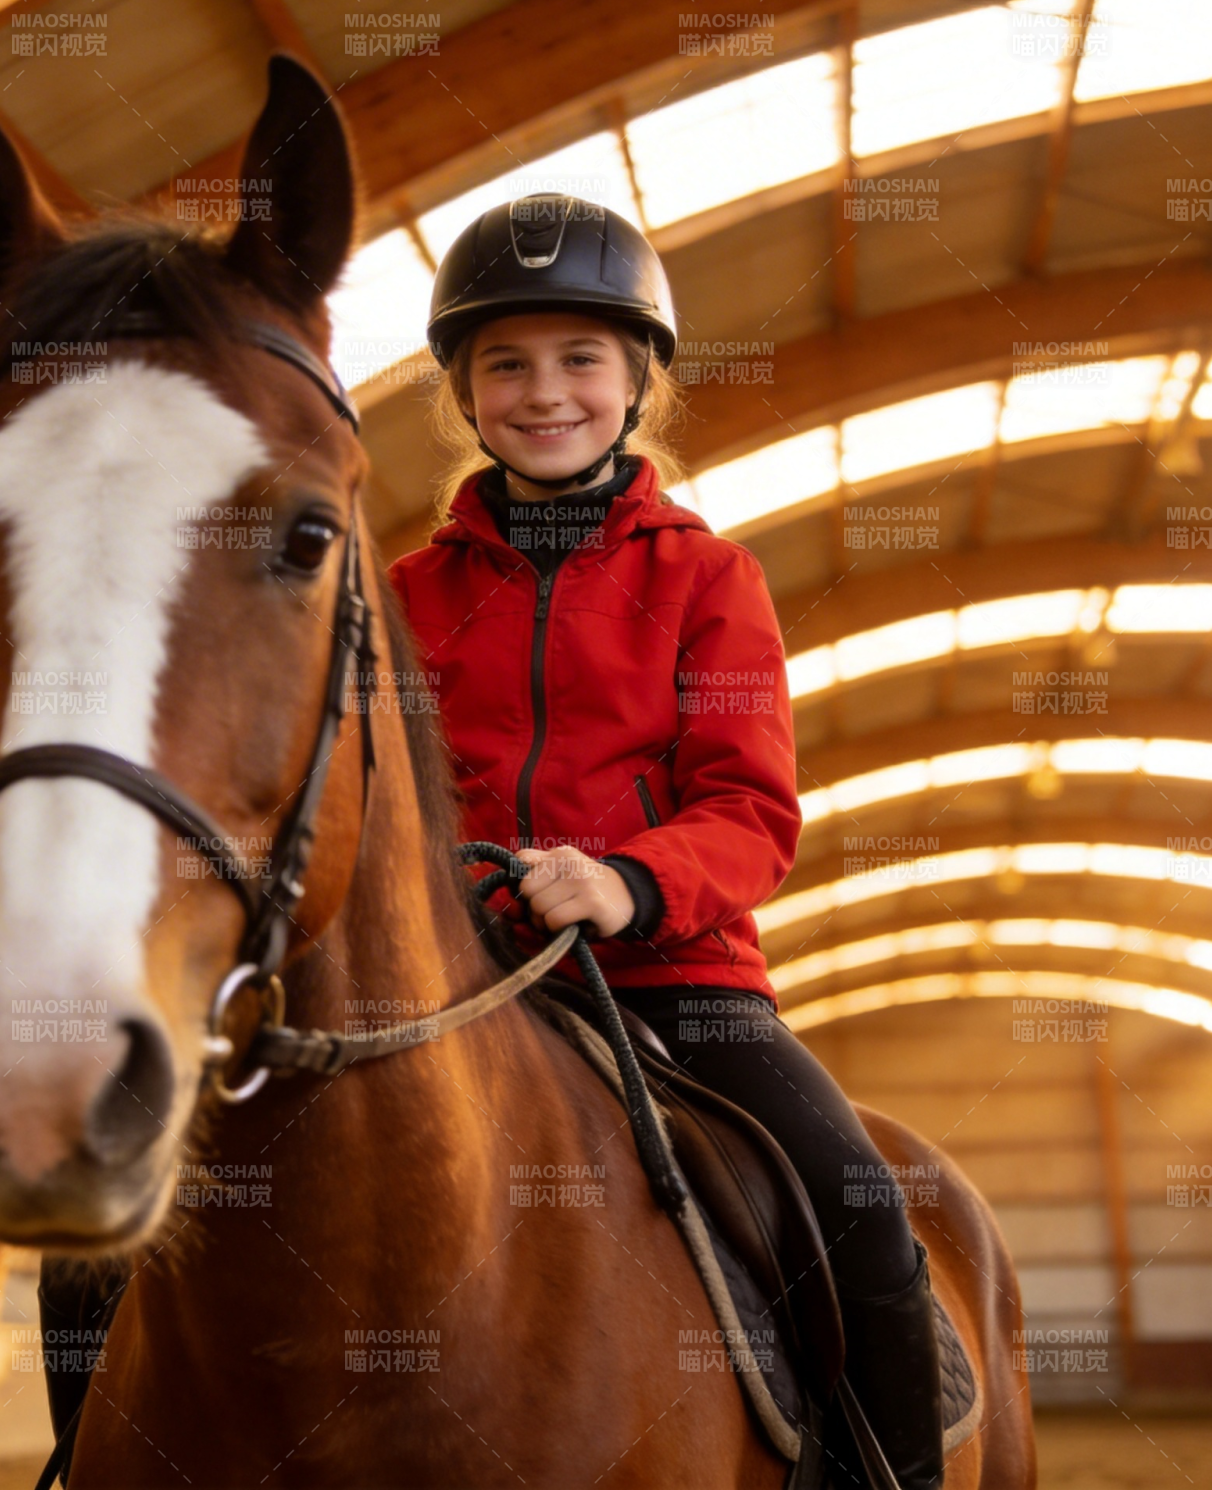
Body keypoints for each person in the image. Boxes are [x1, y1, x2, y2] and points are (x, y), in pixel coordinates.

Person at [385, 193, 944, 1489]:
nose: (544, 393)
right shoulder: (403, 597)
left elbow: (753, 812)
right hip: (454, 983)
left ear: (637, 380)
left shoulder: (710, 579)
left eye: (580, 358)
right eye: (506, 364)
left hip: (676, 980)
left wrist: (629, 883)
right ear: (465, 394)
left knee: (861, 1210)